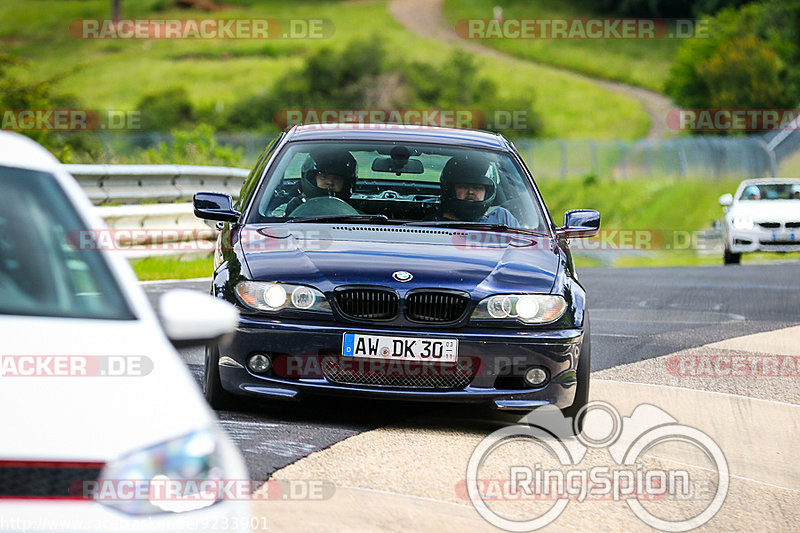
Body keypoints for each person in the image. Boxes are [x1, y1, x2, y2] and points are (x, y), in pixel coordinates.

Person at [427, 155, 519, 226]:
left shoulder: (503, 219)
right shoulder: (430, 224)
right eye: (463, 186)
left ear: (487, 192)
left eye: (477, 187)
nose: (470, 191)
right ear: (451, 189)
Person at [285, 149, 358, 215]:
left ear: (346, 183)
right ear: (312, 179)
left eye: (337, 178)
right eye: (324, 177)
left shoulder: (355, 211)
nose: (330, 182)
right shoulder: (295, 206)